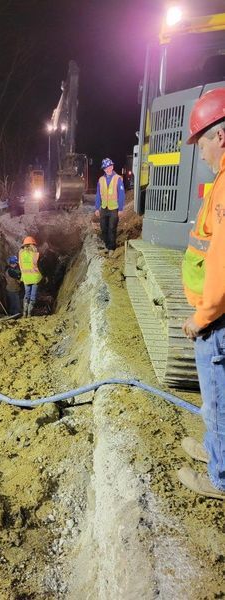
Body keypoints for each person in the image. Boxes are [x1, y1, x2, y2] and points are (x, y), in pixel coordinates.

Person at [178, 87, 225, 500]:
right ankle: (215, 449)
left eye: (203, 143)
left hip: (217, 320)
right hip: (215, 314)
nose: (202, 153)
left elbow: (222, 266)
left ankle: (220, 476)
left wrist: (202, 316)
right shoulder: (222, 181)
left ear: (220, 136)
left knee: (219, 396)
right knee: (216, 398)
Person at [94, 158, 125, 256]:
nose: (108, 169)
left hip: (114, 209)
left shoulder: (117, 179)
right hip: (104, 208)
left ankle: (111, 248)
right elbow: (98, 195)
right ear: (104, 169)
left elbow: (121, 194)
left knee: (112, 228)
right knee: (103, 228)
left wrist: (120, 209)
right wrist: (97, 207)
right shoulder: (101, 180)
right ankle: (107, 246)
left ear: (112, 166)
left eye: (110, 167)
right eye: (106, 168)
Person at [18, 236, 42, 317]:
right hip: (34, 278)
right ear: (32, 245)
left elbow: (20, 265)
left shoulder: (20, 254)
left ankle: (24, 313)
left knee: (26, 295)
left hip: (26, 278)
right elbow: (39, 266)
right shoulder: (35, 254)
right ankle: (29, 314)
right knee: (33, 296)